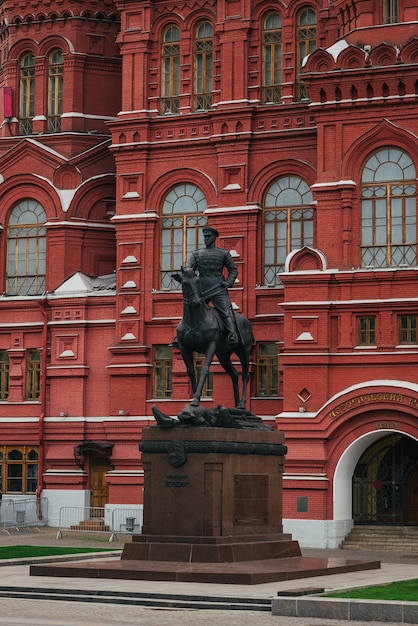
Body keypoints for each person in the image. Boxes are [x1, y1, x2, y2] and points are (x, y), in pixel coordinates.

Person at [186, 226, 238, 344]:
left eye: (208, 237)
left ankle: (232, 334)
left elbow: (233, 270)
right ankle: (184, 336)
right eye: (205, 237)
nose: (206, 239)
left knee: (225, 311)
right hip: (201, 289)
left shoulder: (223, 253)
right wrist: (187, 273)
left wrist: (229, 282)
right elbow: (189, 269)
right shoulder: (196, 254)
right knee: (190, 310)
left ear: (214, 238)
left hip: (218, 288)